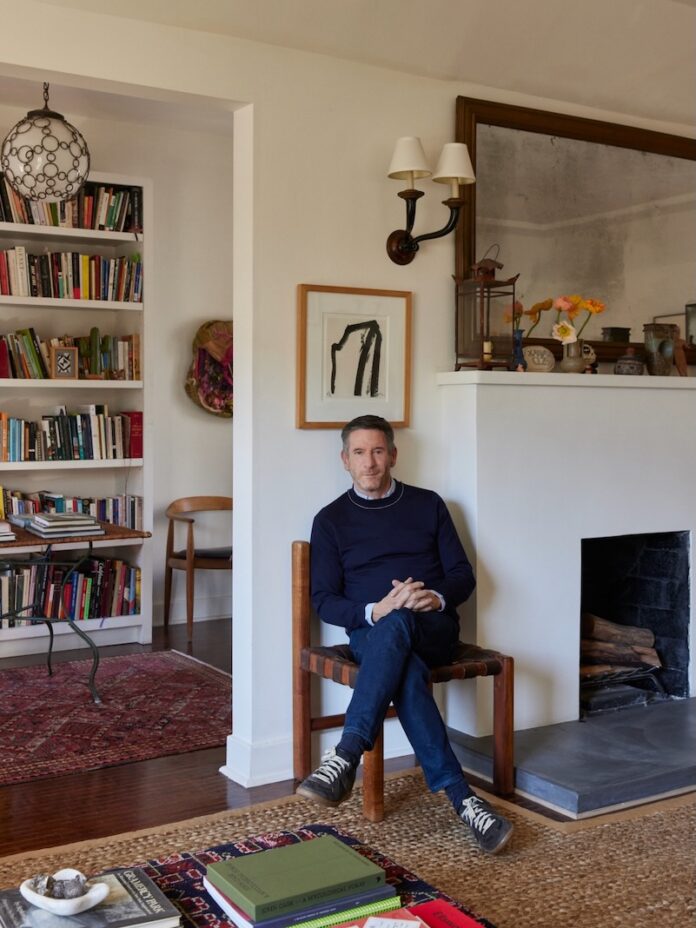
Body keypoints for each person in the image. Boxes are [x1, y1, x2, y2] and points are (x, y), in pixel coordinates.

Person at [296, 414, 513, 855]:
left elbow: (462, 576)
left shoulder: (428, 504)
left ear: (393, 455)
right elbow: (324, 599)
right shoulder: (331, 520)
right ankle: (466, 801)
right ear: (345, 460)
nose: (370, 462)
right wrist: (377, 609)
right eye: (359, 453)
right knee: (406, 667)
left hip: (433, 628)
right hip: (372, 632)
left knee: (403, 628)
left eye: (378, 451)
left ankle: (346, 754)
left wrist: (433, 596)